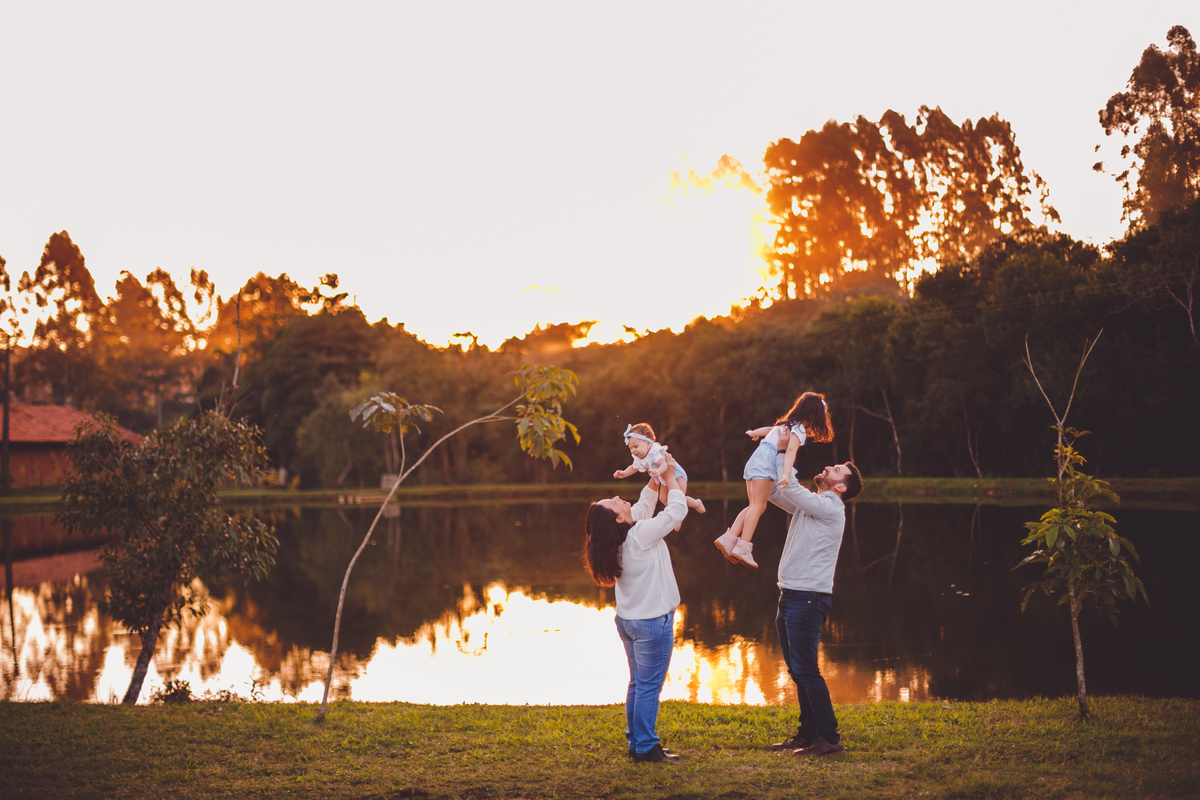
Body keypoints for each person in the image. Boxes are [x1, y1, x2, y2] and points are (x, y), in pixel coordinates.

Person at [586, 454, 689, 764]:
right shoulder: (638, 535)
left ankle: (636, 741)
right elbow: (676, 511)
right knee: (648, 687)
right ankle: (645, 746)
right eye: (615, 502)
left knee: (638, 683)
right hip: (650, 624)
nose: (619, 498)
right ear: (618, 519)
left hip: (629, 622)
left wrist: (652, 478)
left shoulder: (623, 537)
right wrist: (670, 478)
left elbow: (645, 504)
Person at [767, 458, 862, 757]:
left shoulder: (832, 506)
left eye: (835, 471)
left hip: (808, 600)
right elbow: (773, 490)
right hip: (791, 596)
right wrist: (771, 452)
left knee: (806, 670)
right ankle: (807, 734)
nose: (828, 468)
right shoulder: (813, 505)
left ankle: (829, 738)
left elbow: (792, 487)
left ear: (841, 486)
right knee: (798, 670)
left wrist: (788, 451)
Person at [714, 392, 833, 568]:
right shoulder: (799, 430)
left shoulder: (787, 424)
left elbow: (770, 430)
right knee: (758, 506)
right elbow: (790, 451)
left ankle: (728, 538)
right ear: (813, 414)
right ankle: (743, 548)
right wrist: (786, 474)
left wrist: (755, 432)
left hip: (755, 462)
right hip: (766, 466)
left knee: (752, 505)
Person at [614, 423, 706, 516]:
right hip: (665, 478)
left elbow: (664, 465)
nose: (633, 451)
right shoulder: (640, 458)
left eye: (636, 447)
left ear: (648, 443)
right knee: (663, 499)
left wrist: (659, 471)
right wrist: (624, 473)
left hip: (677, 475)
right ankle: (675, 515)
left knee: (679, 499)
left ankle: (696, 504)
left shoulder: (654, 452)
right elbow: (633, 467)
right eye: (631, 448)